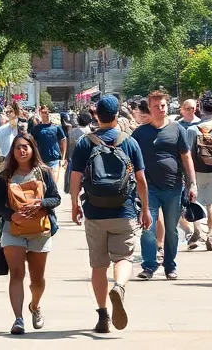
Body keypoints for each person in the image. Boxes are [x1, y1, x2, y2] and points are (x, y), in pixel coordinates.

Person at [69, 95, 151, 333]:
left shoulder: (86, 143)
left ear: (97, 116)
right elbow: (141, 179)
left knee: (98, 266)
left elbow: (75, 177)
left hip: (94, 211)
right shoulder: (129, 142)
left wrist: (75, 203)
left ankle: (103, 316)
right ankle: (120, 286)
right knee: (123, 258)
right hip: (123, 209)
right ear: (117, 116)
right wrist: (145, 209)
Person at [0, 132, 61, 334]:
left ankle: (35, 306)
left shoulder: (43, 172)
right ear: (12, 152)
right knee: (16, 273)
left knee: (37, 279)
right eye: (17, 147)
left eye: (25, 147)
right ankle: (18, 318)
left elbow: (55, 198)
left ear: (33, 149)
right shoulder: (5, 176)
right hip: (12, 230)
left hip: (40, 230)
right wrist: (11, 216)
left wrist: (40, 203)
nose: (21, 151)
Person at [132, 89, 197, 280]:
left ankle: (170, 265)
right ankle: (149, 266)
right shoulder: (140, 133)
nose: (160, 109)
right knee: (148, 228)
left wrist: (192, 184)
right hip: (148, 189)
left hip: (173, 187)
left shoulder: (177, 129)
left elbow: (186, 157)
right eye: (156, 106)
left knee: (172, 230)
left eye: (163, 106)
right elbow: (131, 159)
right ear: (149, 109)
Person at [183, 94, 212, 251]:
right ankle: (210, 234)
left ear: (201, 110)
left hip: (196, 172)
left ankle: (198, 230)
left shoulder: (191, 130)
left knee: (196, 203)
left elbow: (187, 153)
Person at [29, 106, 68, 188]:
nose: (45, 114)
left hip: (54, 159)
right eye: (43, 112)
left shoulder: (56, 127)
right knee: (44, 184)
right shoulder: (37, 129)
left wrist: (63, 157)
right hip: (41, 160)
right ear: (40, 113)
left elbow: (63, 140)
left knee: (53, 184)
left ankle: (54, 198)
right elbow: (31, 141)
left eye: (46, 112)